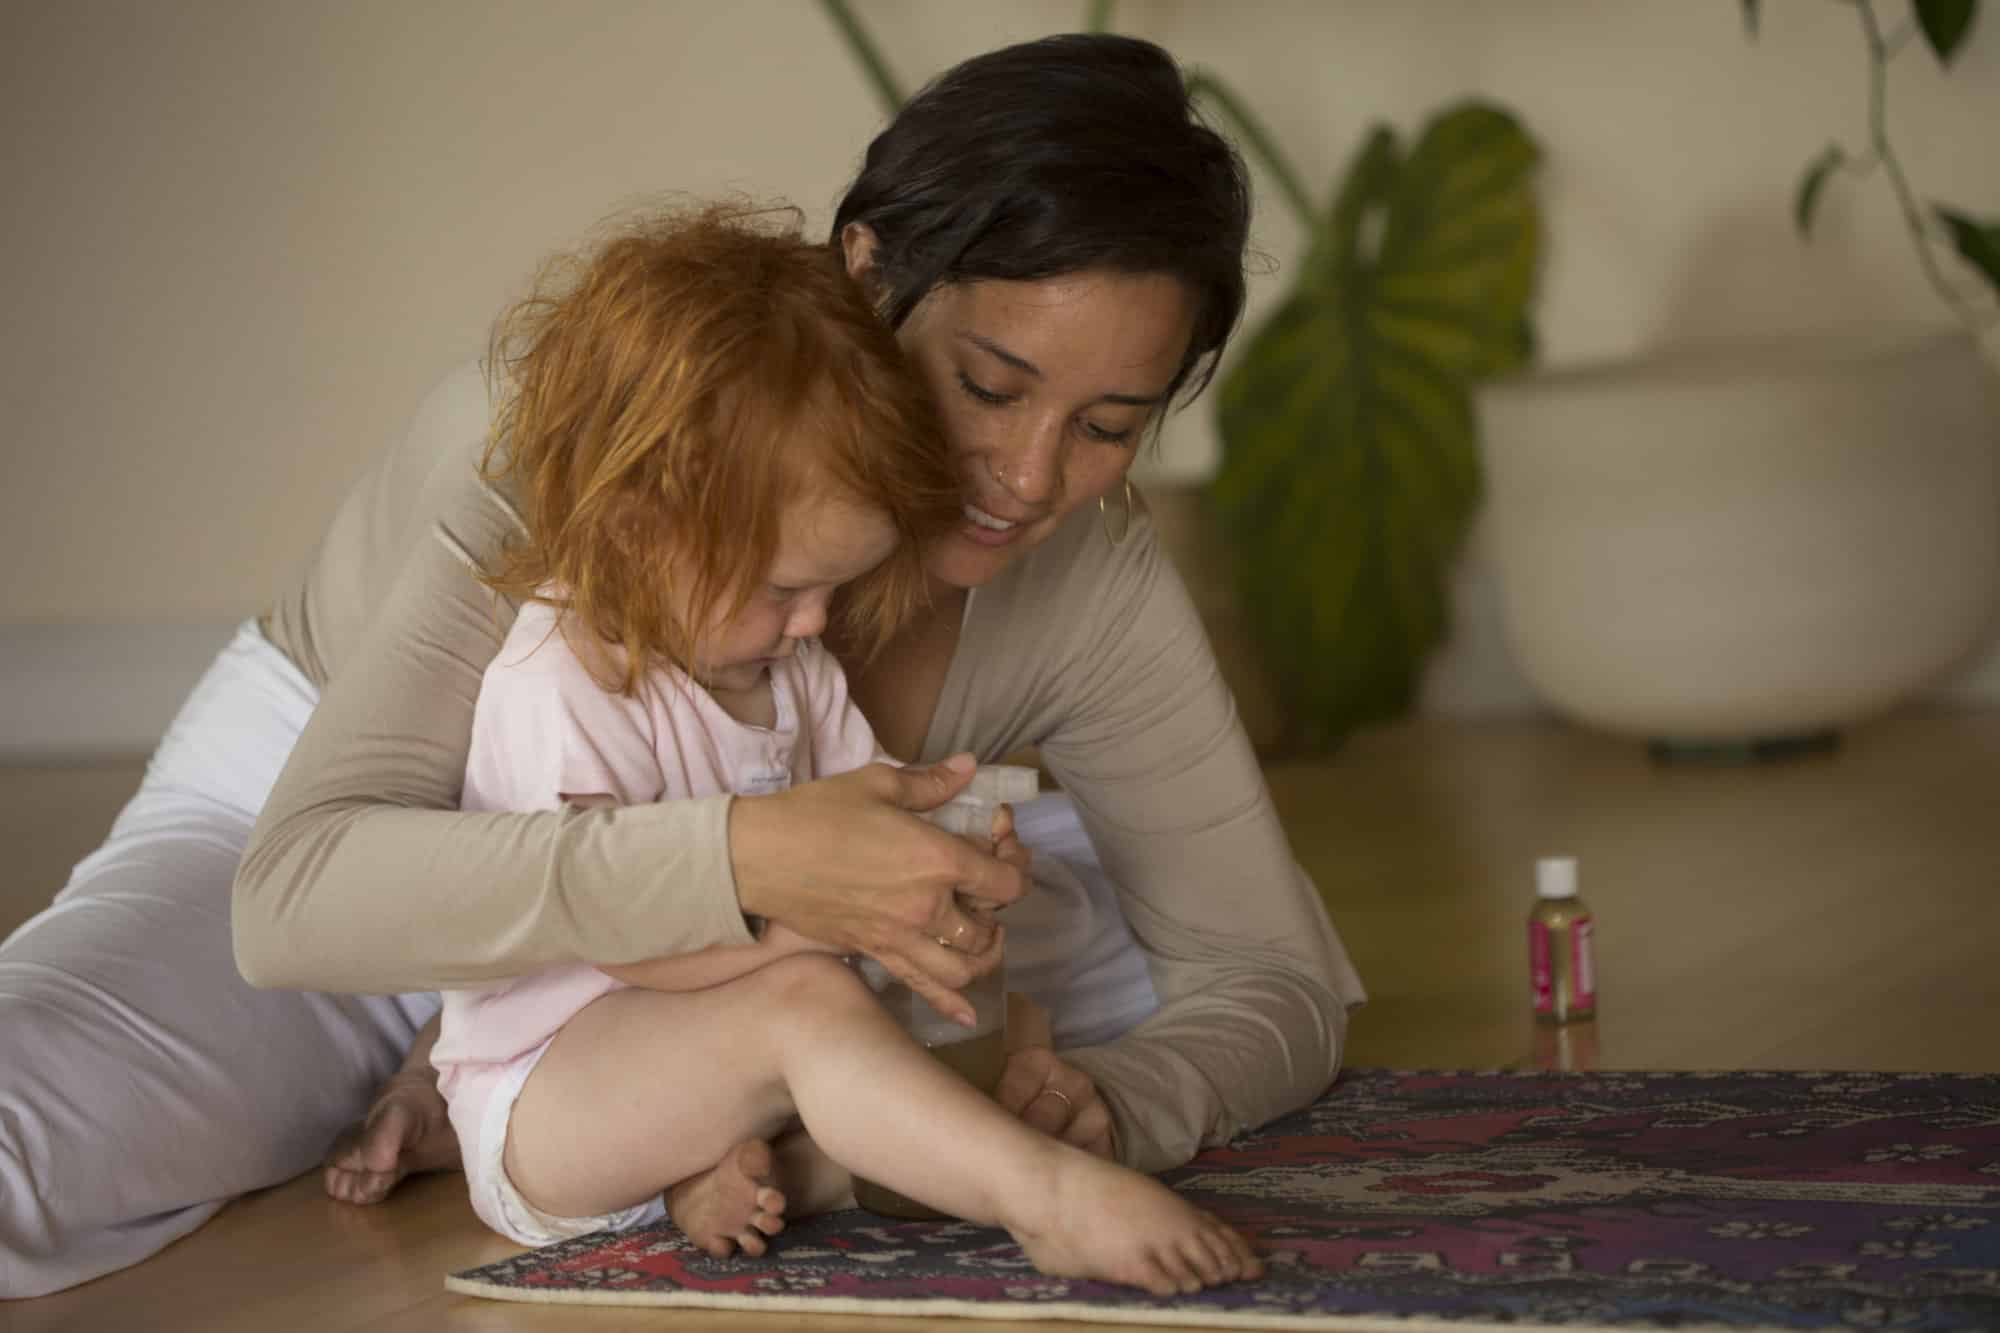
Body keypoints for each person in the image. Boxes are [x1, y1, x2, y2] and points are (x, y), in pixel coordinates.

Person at [0, 32, 1363, 1301]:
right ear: (866, 275)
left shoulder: (1093, 578)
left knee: (1062, 940)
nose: (1026, 476)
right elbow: (296, 902)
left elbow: (1275, 977)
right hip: (340, 860)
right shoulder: (602, 435)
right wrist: (748, 857)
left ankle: (632, 1115)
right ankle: (453, 1085)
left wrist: (1115, 1103)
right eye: (991, 387)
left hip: (710, 973)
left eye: (1107, 426)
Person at [430, 205, 1257, 1293]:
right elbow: (622, 934)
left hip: (715, 1060)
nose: (818, 622)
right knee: (813, 1004)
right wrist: (823, 928)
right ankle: (1046, 1198)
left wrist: (955, 866)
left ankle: (744, 1177)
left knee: (977, 1012)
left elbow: (872, 812)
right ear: (641, 528)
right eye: (786, 588)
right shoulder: (561, 676)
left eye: (829, 587)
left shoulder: (790, 663)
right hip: (551, 1095)